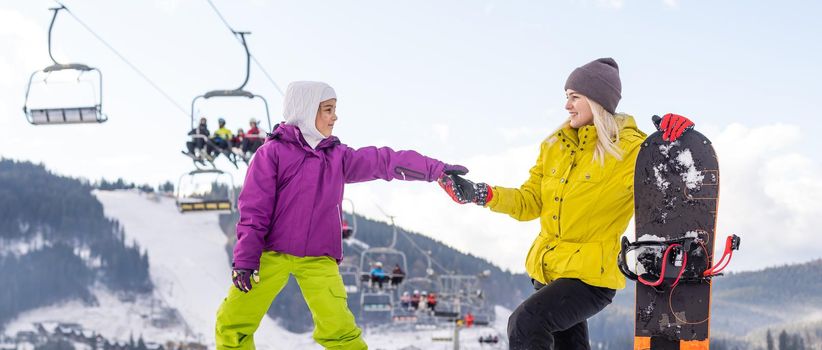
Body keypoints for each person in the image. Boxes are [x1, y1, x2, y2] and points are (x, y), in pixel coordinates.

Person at [438, 58, 694, 350]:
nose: (567, 105)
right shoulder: (554, 146)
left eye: (575, 97)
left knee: (526, 322)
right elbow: (530, 201)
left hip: (589, 279)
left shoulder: (631, 150)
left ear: (597, 100)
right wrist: (481, 194)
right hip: (549, 273)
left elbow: (668, 180)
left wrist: (676, 143)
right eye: (566, 97)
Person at [215, 81, 467, 350]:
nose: (335, 116)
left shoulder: (337, 157)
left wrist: (436, 170)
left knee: (340, 331)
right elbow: (255, 209)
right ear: (306, 109)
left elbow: (385, 161)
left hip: (318, 258)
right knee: (233, 324)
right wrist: (245, 260)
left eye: (334, 109)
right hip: (270, 253)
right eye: (328, 109)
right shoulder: (272, 153)